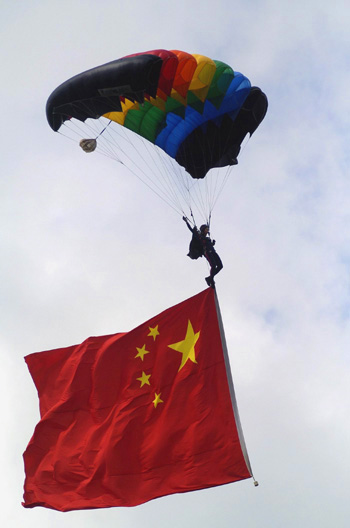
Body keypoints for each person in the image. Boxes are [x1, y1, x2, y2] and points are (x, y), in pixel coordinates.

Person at [183, 216, 223, 288]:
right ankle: (211, 279)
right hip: (207, 252)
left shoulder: (207, 238)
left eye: (208, 229)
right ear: (203, 230)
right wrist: (186, 222)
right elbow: (191, 230)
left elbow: (209, 244)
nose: (208, 230)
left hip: (213, 252)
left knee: (220, 266)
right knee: (213, 266)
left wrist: (212, 243)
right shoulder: (199, 236)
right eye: (206, 229)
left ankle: (209, 278)